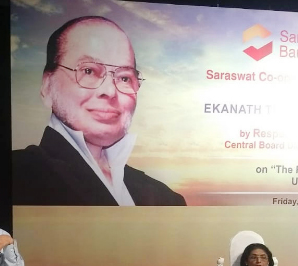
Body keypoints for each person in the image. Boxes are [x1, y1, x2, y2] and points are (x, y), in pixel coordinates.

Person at [12, 16, 186, 206]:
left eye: (124, 78)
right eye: (88, 71)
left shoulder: (165, 199)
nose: (110, 91)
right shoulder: (15, 175)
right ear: (47, 86)